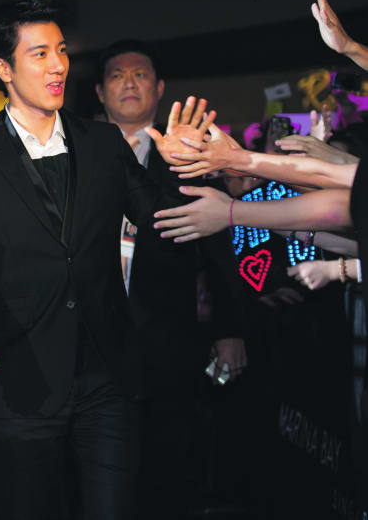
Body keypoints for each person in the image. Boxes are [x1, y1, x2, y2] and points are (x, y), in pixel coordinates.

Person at [0, 0, 216, 520]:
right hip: (22, 378)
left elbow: (165, 223)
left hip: (107, 374)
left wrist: (187, 168)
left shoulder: (104, 143)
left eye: (62, 51)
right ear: (4, 68)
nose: (58, 65)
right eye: (39, 53)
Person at [95, 39, 246, 519]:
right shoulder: (77, 153)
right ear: (100, 92)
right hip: (94, 338)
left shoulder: (191, 153)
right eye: (118, 75)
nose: (130, 83)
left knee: (171, 467)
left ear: (159, 88)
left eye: (140, 74)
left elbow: (219, 250)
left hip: (168, 331)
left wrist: (228, 329)